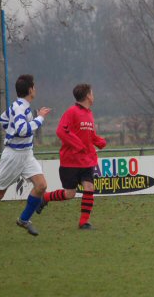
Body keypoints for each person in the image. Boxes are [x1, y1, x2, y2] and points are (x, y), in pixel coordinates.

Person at [0, 74, 51, 242]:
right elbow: (23, 130)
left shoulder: (18, 106)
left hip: (26, 154)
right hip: (13, 156)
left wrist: (12, 130)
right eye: (34, 87)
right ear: (30, 90)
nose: (35, 89)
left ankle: (23, 219)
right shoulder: (21, 108)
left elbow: (3, 119)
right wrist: (40, 118)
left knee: (41, 185)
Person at [36, 84, 106, 229]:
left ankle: (84, 222)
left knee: (89, 188)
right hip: (71, 161)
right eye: (92, 93)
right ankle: (45, 198)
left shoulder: (89, 114)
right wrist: (78, 145)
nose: (93, 96)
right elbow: (61, 131)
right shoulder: (71, 112)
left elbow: (89, 135)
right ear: (87, 96)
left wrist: (99, 141)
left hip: (86, 161)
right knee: (69, 194)